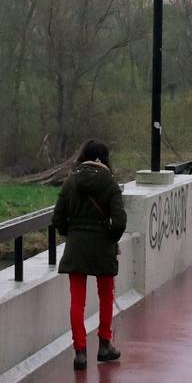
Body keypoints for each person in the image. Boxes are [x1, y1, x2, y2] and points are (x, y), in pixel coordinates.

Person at [51, 139, 126, 371]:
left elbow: (57, 219)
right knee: (105, 295)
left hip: (76, 246)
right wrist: (110, 238)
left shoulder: (71, 181)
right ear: (104, 159)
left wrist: (71, 233)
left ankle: (80, 352)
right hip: (102, 246)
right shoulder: (110, 183)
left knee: (77, 301)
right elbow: (120, 220)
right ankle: (104, 346)